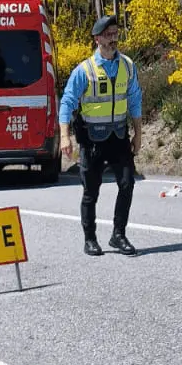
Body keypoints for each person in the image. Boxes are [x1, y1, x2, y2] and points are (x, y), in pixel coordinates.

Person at [58, 16, 143, 257]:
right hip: (92, 140)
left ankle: (118, 235)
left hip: (118, 136)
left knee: (127, 183)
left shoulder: (127, 66)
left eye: (116, 34)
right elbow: (67, 103)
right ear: (97, 39)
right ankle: (90, 239)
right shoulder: (84, 71)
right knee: (90, 192)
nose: (113, 39)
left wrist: (138, 133)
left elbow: (135, 99)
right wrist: (65, 136)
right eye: (108, 35)